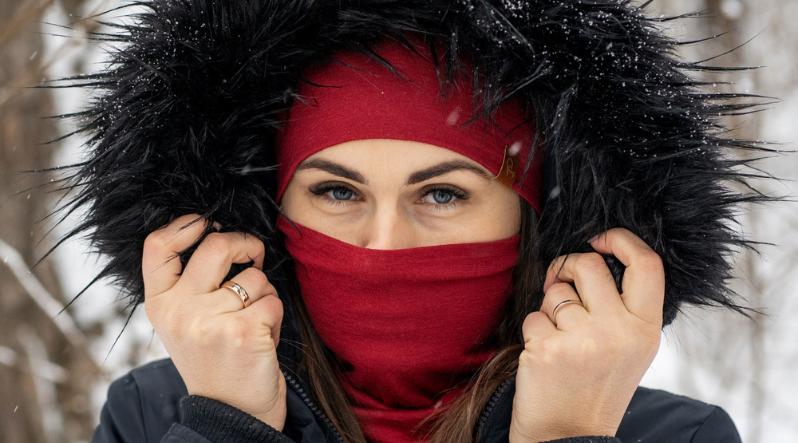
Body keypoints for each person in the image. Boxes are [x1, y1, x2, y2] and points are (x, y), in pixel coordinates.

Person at [40, 1, 775, 442]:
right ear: (267, 212)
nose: (379, 245)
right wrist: (225, 425)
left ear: (533, 221)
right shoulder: (159, 415)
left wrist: (567, 435)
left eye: (444, 194)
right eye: (335, 192)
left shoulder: (669, 436)